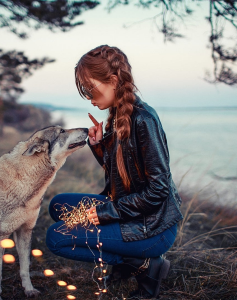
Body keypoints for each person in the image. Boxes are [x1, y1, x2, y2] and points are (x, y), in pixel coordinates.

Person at [46, 45, 183, 299]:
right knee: (57, 206)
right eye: (85, 91)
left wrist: (103, 213)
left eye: (91, 89)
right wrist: (100, 147)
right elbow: (123, 179)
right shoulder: (118, 114)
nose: (89, 97)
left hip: (152, 228)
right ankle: (127, 260)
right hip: (129, 213)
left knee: (56, 238)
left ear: (113, 80)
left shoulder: (144, 120)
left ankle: (144, 265)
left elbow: (158, 191)